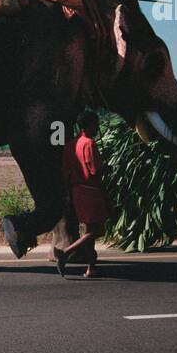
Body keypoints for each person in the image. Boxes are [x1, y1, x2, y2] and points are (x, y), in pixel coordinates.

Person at [58, 110, 111, 278]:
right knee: (97, 231)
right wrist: (107, 169)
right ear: (88, 125)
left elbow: (65, 172)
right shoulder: (89, 144)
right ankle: (66, 252)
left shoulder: (71, 145)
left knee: (90, 229)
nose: (97, 128)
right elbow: (94, 172)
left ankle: (91, 268)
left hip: (76, 191)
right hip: (91, 191)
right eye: (95, 124)